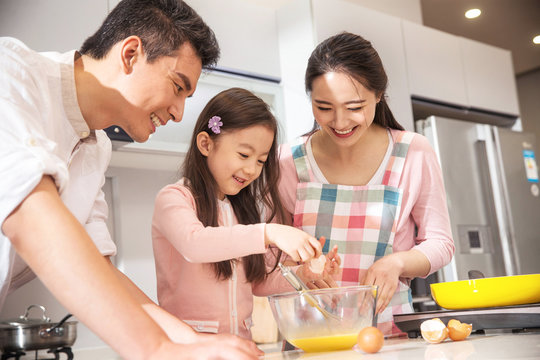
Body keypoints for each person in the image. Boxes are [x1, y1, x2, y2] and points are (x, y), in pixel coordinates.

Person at [0, 0, 263, 358]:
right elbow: (30, 217)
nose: (178, 112)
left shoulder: (97, 147)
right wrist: (155, 349)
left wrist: (189, 341)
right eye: (177, 87)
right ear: (130, 54)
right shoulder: (12, 75)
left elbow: (102, 272)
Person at [278, 32, 455, 335]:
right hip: (310, 338)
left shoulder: (412, 151)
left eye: (354, 107)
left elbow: (441, 243)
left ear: (378, 95)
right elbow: (273, 257)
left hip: (391, 336)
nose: (340, 121)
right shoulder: (288, 160)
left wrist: (397, 263)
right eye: (324, 107)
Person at [152, 87, 341, 339]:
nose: (252, 169)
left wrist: (302, 275)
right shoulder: (174, 198)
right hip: (189, 347)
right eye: (244, 155)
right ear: (206, 144)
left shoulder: (241, 211)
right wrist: (269, 232)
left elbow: (258, 282)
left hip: (240, 345)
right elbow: (194, 244)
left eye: (261, 161)